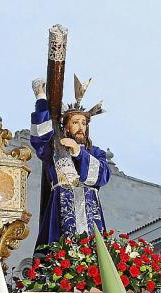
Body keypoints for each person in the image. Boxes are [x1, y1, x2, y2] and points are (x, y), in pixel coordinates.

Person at [30, 76, 110, 246]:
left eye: (84, 123)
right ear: (66, 127)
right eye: (75, 122)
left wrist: (78, 151)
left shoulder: (95, 152)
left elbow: (103, 175)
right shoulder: (54, 148)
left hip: (90, 212)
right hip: (61, 211)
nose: (81, 127)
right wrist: (40, 97)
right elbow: (40, 136)